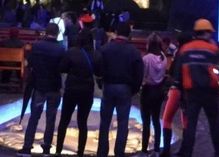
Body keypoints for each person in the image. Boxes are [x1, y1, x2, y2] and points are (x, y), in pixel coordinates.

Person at [173, 19, 219, 157]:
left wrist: (179, 90)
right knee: (214, 123)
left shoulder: (185, 49)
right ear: (207, 33)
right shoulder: (213, 49)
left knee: (191, 124)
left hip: (191, 93)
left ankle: (187, 153)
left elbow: (178, 73)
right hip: (210, 92)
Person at [18, 21, 66, 156]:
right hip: (54, 86)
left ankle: (27, 147)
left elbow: (31, 62)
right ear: (57, 34)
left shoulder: (37, 46)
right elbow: (62, 68)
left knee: (34, 117)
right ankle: (46, 149)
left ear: (46, 31)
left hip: (39, 86)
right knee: (51, 118)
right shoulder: (61, 49)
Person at [97, 21, 143, 157]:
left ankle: (102, 152)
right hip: (125, 88)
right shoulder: (134, 52)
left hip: (109, 86)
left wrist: (101, 83)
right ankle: (119, 152)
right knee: (123, 123)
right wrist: (133, 89)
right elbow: (139, 73)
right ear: (129, 35)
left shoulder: (105, 49)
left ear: (116, 32)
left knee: (104, 122)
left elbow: (99, 68)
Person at [55, 28, 102, 156]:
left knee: (64, 120)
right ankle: (80, 151)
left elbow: (62, 68)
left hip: (72, 89)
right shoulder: (96, 54)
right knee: (82, 122)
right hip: (87, 90)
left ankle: (58, 150)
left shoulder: (71, 52)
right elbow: (99, 72)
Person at [160, 30, 194, 157]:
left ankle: (166, 151)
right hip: (190, 92)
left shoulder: (181, 53)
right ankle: (186, 151)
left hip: (178, 89)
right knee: (186, 121)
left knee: (167, 119)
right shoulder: (193, 54)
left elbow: (174, 71)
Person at [140, 33, 167, 156]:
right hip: (159, 90)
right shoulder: (163, 57)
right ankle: (156, 149)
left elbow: (143, 75)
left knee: (146, 121)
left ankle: (144, 150)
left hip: (147, 90)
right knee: (156, 120)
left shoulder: (146, 58)